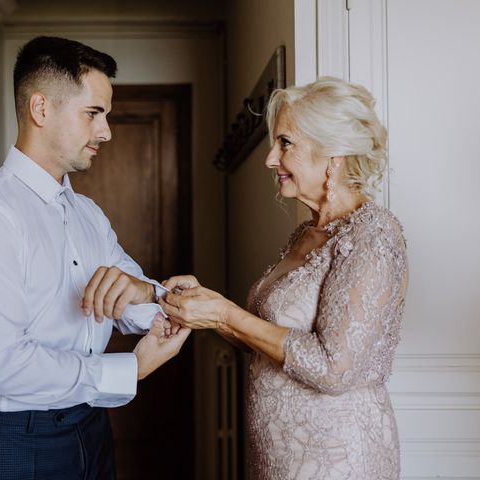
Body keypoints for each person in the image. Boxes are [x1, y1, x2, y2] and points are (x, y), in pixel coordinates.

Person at [0, 36, 190, 480]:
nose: (106, 130)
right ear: (41, 109)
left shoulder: (88, 214)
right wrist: (132, 369)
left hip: (90, 429)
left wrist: (148, 291)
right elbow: (6, 367)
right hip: (10, 443)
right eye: (94, 113)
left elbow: (137, 304)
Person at [160, 77, 407, 479]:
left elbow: (333, 368)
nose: (270, 159)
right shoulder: (305, 233)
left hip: (337, 457)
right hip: (278, 456)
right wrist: (208, 306)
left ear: (333, 154)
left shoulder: (372, 236)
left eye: (285, 143)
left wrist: (226, 314)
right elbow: (270, 341)